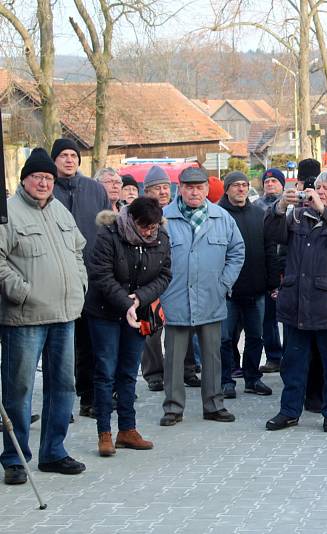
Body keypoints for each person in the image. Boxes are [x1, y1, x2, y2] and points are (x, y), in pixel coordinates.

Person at [0, 148, 88, 485]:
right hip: (24, 317)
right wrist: (20, 290)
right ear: (24, 179)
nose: (43, 182)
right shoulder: (8, 213)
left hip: (64, 315)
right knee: (19, 389)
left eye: (49, 178)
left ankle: (54, 452)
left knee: (63, 386)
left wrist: (80, 284)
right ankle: (15, 457)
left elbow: (78, 251)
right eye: (37, 177)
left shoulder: (60, 212)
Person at [264, 170, 327, 433]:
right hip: (297, 306)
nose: (318, 192)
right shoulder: (296, 217)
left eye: (326, 188)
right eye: (317, 187)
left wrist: (324, 212)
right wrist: (280, 206)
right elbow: (271, 233)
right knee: (293, 365)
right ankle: (289, 411)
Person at [85, 197, 172, 457]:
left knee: (127, 372)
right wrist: (126, 303)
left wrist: (140, 298)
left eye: (153, 227)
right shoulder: (109, 235)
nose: (148, 232)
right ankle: (104, 433)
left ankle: (127, 429)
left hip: (139, 313)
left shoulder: (161, 238)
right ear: (131, 220)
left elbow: (165, 274)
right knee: (105, 372)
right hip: (104, 313)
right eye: (143, 226)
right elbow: (100, 274)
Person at [159, 167, 245, 426]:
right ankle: (173, 408)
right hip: (175, 298)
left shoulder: (222, 217)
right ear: (180, 188)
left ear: (207, 189)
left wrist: (224, 284)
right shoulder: (164, 218)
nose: (194, 191)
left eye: (199, 187)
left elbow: (237, 252)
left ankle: (214, 405)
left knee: (212, 355)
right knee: (173, 358)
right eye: (188, 187)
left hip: (211, 296)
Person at [51, 138, 111, 418]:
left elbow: (108, 229)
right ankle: (60, 404)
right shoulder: (46, 188)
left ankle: (90, 398)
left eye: (73, 155)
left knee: (91, 343)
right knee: (60, 346)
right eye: (63, 155)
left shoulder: (95, 189)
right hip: (58, 279)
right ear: (55, 160)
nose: (69, 160)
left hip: (93, 277)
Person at [218, 171, 280, 399]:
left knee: (256, 337)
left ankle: (252, 378)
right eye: (236, 185)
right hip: (227, 291)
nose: (241, 189)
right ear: (227, 189)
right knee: (225, 339)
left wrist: (272, 282)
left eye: (244, 185)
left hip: (256, 289)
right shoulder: (217, 214)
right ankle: (226, 381)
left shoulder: (259, 213)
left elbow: (269, 248)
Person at [139, 165, 200, 391]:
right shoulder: (142, 213)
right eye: (157, 188)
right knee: (152, 328)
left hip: (179, 278)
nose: (163, 191)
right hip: (152, 279)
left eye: (166, 187)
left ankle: (188, 369)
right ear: (147, 191)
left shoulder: (181, 211)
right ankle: (154, 373)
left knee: (184, 325)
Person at [255, 168, 287, 374]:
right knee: (268, 317)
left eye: (274, 181)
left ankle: (291, 356)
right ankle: (274, 356)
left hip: (287, 265)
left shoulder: (290, 205)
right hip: (265, 267)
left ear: (282, 185)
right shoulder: (256, 207)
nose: (270, 184)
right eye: (267, 181)